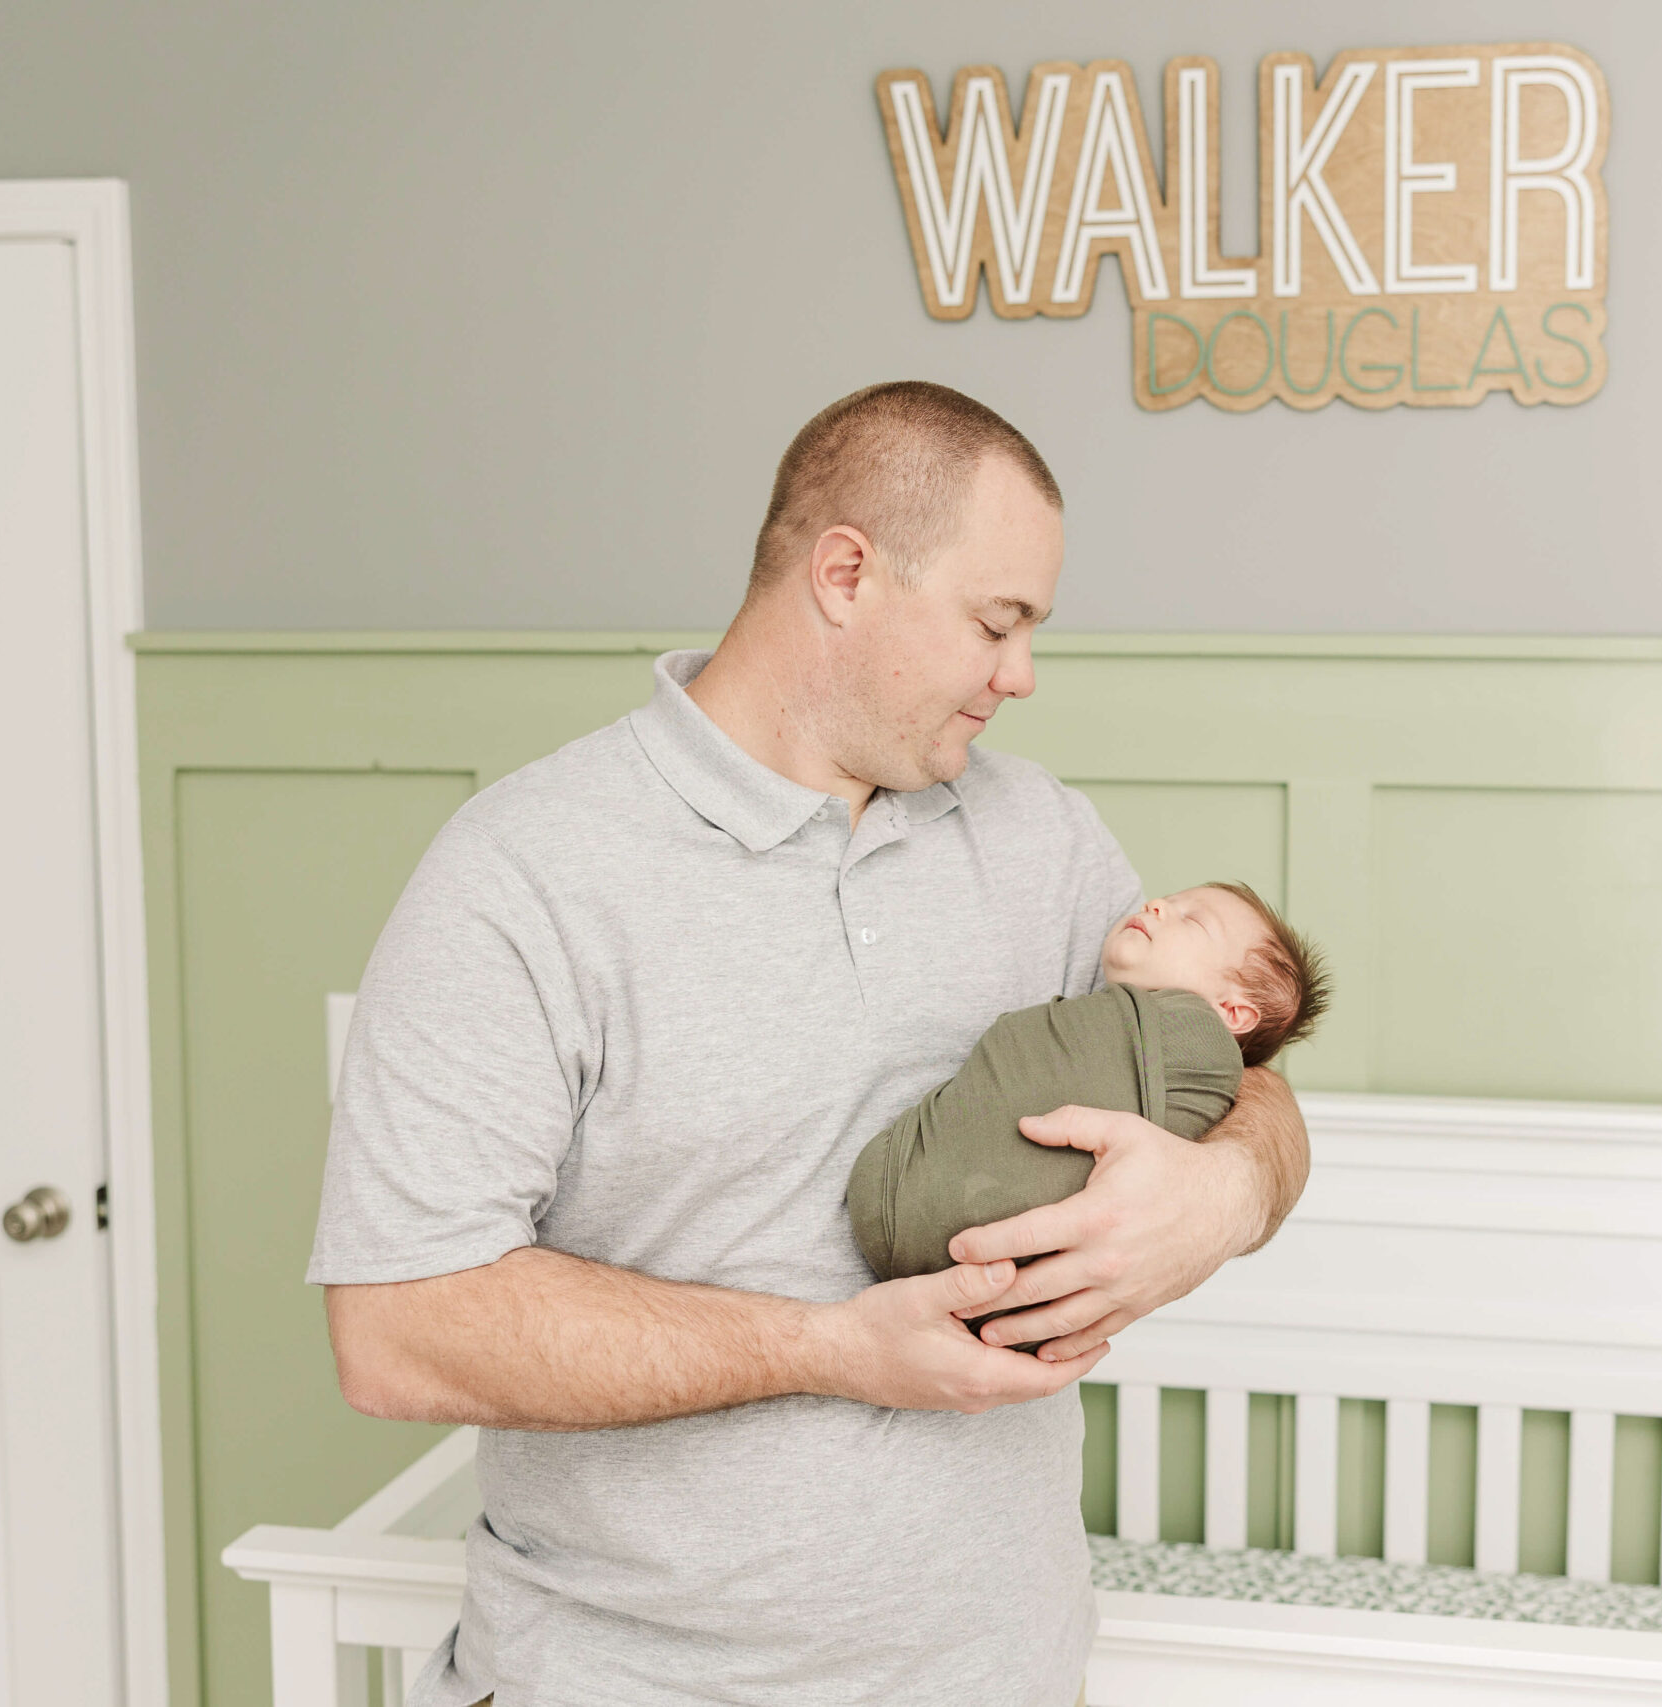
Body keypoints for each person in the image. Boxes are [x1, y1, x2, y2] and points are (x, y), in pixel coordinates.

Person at [311, 380, 1313, 1707]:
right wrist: (834, 1345)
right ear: (846, 572)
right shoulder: (525, 875)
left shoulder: (1049, 843)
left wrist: (1227, 1189)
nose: (1022, 672)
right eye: (996, 621)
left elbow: (1247, 1083)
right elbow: (399, 1328)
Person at [848, 882, 1329, 1300]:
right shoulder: (1124, 1028)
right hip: (942, 1242)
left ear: (1232, 1013)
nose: (1158, 904)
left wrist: (1227, 1184)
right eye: (1170, 899)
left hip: (915, 1218)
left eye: (1194, 920)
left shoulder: (1194, 1046)